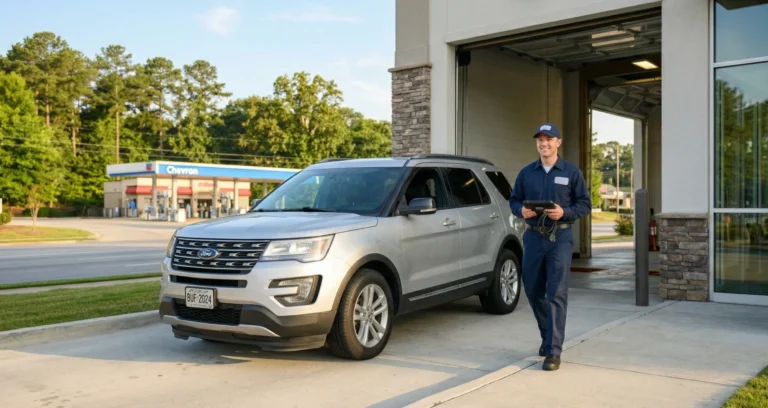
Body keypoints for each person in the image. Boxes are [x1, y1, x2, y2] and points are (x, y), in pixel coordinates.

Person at [509, 122, 591, 371]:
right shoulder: (526, 173)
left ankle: (553, 351)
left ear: (558, 142)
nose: (544, 143)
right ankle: (548, 337)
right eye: (540, 140)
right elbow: (514, 200)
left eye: (548, 139)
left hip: (560, 239)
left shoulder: (571, 172)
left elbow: (585, 204)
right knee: (533, 290)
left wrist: (564, 212)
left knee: (556, 293)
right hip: (533, 238)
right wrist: (520, 210)